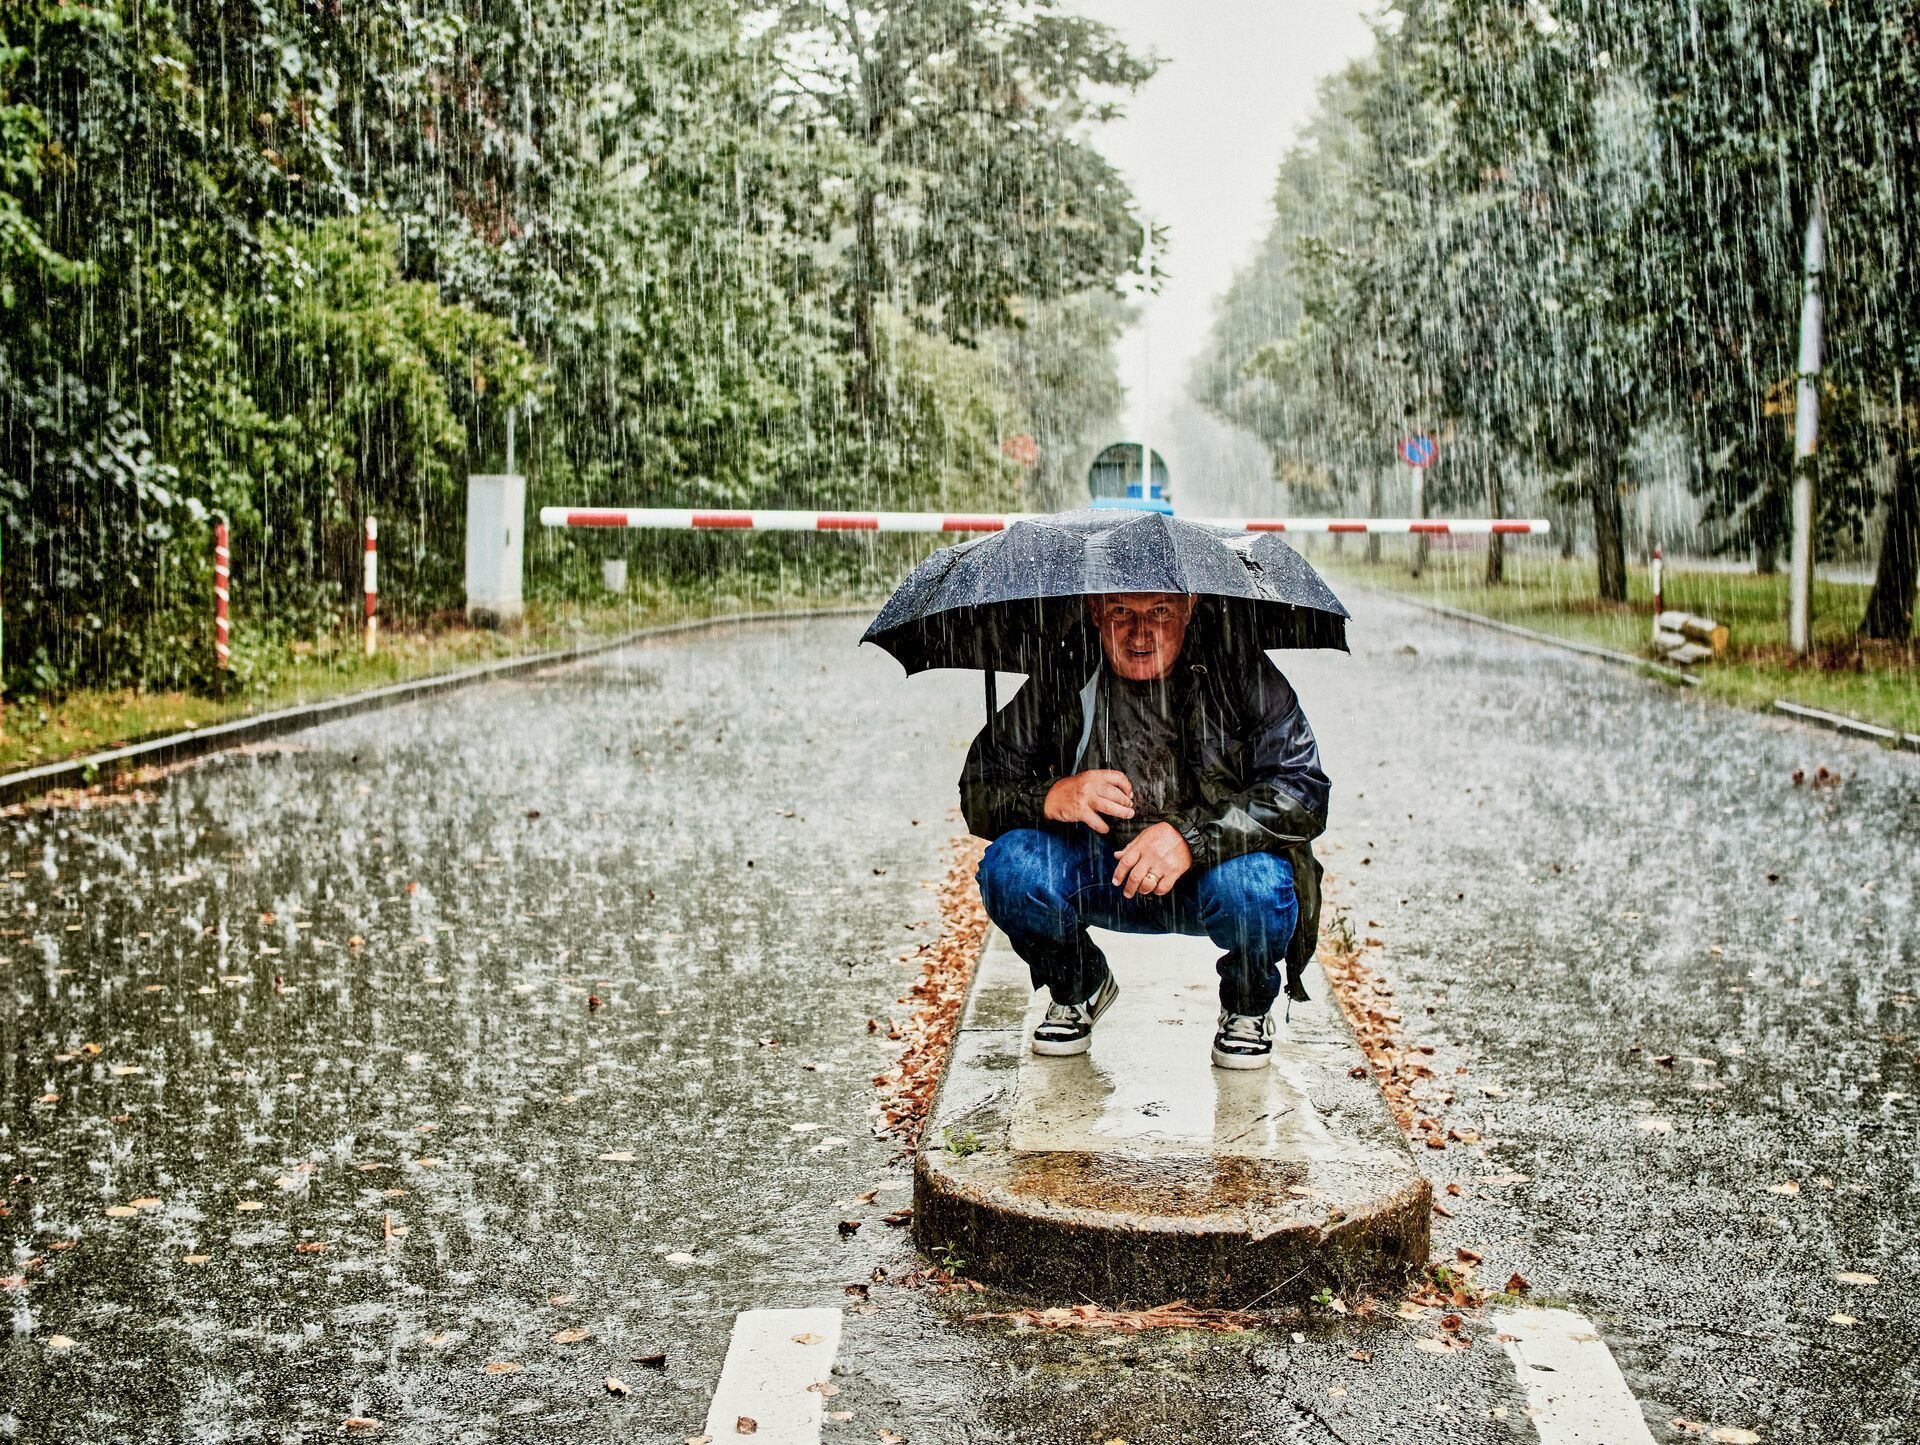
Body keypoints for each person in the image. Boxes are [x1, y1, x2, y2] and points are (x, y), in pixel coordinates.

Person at [960, 592, 1330, 1069]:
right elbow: (979, 789)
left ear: (1189, 607)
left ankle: (1246, 1004)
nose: (1140, 633)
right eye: (1120, 612)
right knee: (1010, 868)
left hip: (1212, 877)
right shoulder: (1066, 671)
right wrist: (1052, 796)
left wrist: (1190, 837)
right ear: (1095, 611)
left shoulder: (1239, 667)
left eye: (1159, 611)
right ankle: (1080, 985)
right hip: (1099, 872)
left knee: (1258, 887)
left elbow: (1302, 792)